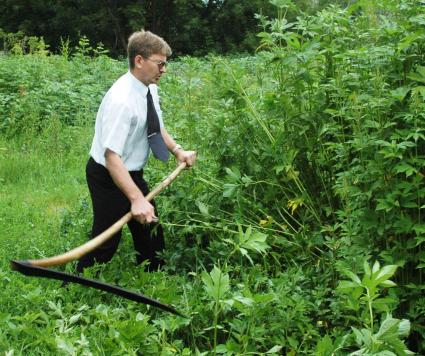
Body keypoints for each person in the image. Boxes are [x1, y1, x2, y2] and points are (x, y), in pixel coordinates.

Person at [76, 30, 196, 273]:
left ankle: (154, 277)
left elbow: (155, 125)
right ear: (139, 60)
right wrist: (136, 198)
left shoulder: (149, 87)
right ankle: (75, 285)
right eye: (160, 64)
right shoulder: (122, 101)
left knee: (151, 233)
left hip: (131, 172)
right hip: (108, 176)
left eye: (165, 64)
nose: (164, 70)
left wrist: (177, 150)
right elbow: (112, 158)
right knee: (105, 242)